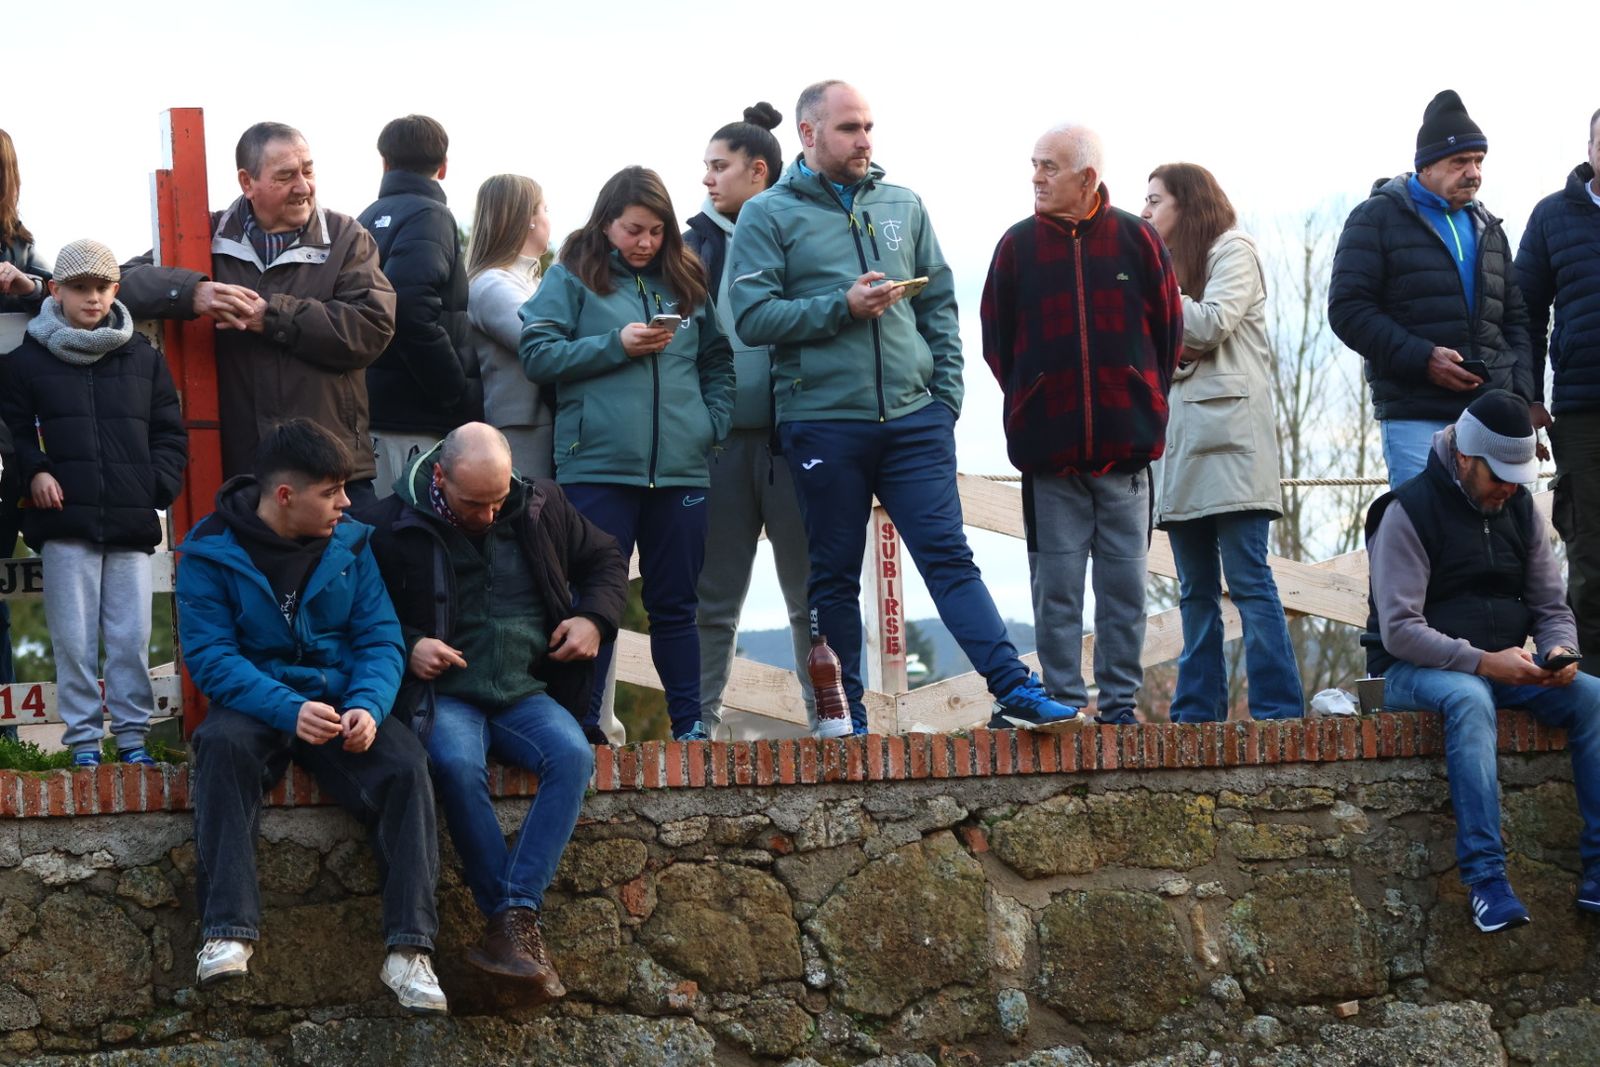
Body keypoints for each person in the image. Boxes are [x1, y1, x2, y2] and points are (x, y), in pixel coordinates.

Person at [730, 81, 1082, 734]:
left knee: (948, 556)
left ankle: (1013, 689)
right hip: (823, 422)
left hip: (915, 420)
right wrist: (841, 306)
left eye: (868, 126)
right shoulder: (767, 215)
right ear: (807, 135)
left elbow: (940, 304)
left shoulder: (903, 202)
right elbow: (750, 316)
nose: (865, 140)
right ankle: (849, 719)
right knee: (832, 577)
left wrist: (943, 398)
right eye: (848, 128)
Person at [175, 419, 445, 1012]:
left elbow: (380, 639)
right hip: (255, 700)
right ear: (285, 496)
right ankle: (226, 932)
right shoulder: (207, 550)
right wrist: (289, 707)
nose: (347, 503)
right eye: (332, 492)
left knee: (405, 765)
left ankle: (410, 952)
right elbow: (212, 659)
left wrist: (370, 708)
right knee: (220, 748)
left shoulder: (352, 543)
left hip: (342, 700)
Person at [364, 423, 626, 998]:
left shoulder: (542, 503)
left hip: (527, 692)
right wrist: (408, 643)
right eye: (471, 503)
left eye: (496, 500)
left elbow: (606, 558)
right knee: (455, 766)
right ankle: (515, 924)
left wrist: (594, 619)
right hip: (446, 696)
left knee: (573, 757)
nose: (486, 514)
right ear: (439, 477)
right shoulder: (387, 524)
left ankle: (512, 918)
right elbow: (359, 609)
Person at [1366, 390, 1600, 932]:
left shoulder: (1518, 506)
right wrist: (1484, 663)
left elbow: (1550, 605)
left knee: (1591, 695)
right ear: (1466, 458)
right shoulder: (1405, 510)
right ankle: (1486, 881)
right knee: (1470, 699)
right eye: (1498, 475)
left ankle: (1597, 872)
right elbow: (1400, 631)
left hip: (1506, 666)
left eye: (1517, 477)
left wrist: (1561, 650)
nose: (1509, 488)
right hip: (1408, 671)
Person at [520, 166, 734, 742]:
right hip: (596, 467)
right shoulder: (570, 277)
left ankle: (691, 730)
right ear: (605, 221)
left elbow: (718, 361)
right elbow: (538, 354)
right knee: (593, 601)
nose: (645, 242)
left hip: (682, 468)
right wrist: (616, 345)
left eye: (657, 231)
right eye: (634, 229)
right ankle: (582, 726)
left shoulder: (687, 279)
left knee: (676, 604)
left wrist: (710, 425)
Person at [979, 125, 1182, 725]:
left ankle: (1119, 710)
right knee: (1057, 591)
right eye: (1034, 166)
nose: (1036, 178)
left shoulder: (1139, 240)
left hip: (1127, 457)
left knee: (1125, 594)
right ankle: (1064, 707)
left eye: (1049, 167)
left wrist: (1139, 398)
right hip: (1050, 459)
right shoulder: (1015, 247)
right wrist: (1034, 400)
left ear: (1087, 178)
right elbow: (998, 345)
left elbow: (1167, 333)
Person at [121, 121, 397, 507]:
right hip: (243, 477)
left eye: (308, 170)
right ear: (247, 183)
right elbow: (118, 282)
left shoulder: (347, 238)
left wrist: (271, 317)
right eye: (286, 176)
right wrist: (190, 291)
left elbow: (371, 327)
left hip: (335, 478)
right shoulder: (203, 239)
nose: (303, 187)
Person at [0, 240, 187, 765]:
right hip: (62, 523)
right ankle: (84, 746)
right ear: (54, 291)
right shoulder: (24, 365)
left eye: (102, 287)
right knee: (73, 642)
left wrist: (156, 488)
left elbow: (170, 434)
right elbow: (12, 434)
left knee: (129, 640)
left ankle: (131, 741)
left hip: (129, 521)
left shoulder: (144, 361)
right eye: (80, 287)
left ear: (116, 290)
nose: (93, 298)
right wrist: (34, 470)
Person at [1142, 163, 1303, 722]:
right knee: (1194, 590)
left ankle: (1279, 712)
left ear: (1186, 205)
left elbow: (1208, 326)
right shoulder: (1173, 269)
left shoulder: (1234, 251)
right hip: (1180, 449)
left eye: (1156, 200)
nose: (1145, 211)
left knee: (1250, 580)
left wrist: (1152, 295)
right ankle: (1195, 714)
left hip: (1233, 446)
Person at [686, 102, 817, 736]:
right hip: (721, 447)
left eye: (719, 166)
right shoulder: (687, 248)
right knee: (713, 600)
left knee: (813, 598)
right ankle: (699, 729)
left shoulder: (804, 227)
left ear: (757, 171)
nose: (707, 179)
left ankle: (833, 720)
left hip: (797, 441)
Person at [1329, 90, 1535, 489]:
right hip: (1414, 415)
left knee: (1503, 545)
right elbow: (1348, 310)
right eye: (1460, 162)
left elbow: (1517, 322)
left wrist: (1520, 398)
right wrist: (1425, 359)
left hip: (1492, 419)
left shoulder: (1491, 229)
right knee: (1425, 539)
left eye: (1478, 161)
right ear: (1425, 166)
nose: (1473, 172)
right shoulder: (1375, 218)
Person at [1515, 107, 1600, 675]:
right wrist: (1528, 394)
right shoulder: (1552, 217)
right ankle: (1592, 688)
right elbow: (1524, 313)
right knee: (1591, 556)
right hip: (1582, 411)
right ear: (1591, 146)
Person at [359, 115, 479, 496]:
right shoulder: (431, 216)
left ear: (385, 162)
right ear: (443, 167)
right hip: (414, 419)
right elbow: (410, 309)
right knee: (415, 542)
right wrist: (453, 391)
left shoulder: (364, 219)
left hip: (372, 408)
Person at [0, 127, 50, 742]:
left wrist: (30, 289)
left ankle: (8, 745)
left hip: (9, 445)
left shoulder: (24, 248)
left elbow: (77, 301)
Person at [465, 174, 556, 478]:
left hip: (546, 424)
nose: (548, 220)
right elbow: (542, 339)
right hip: (523, 431)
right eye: (545, 209)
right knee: (531, 518)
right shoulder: (491, 283)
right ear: (527, 219)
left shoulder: (532, 281)